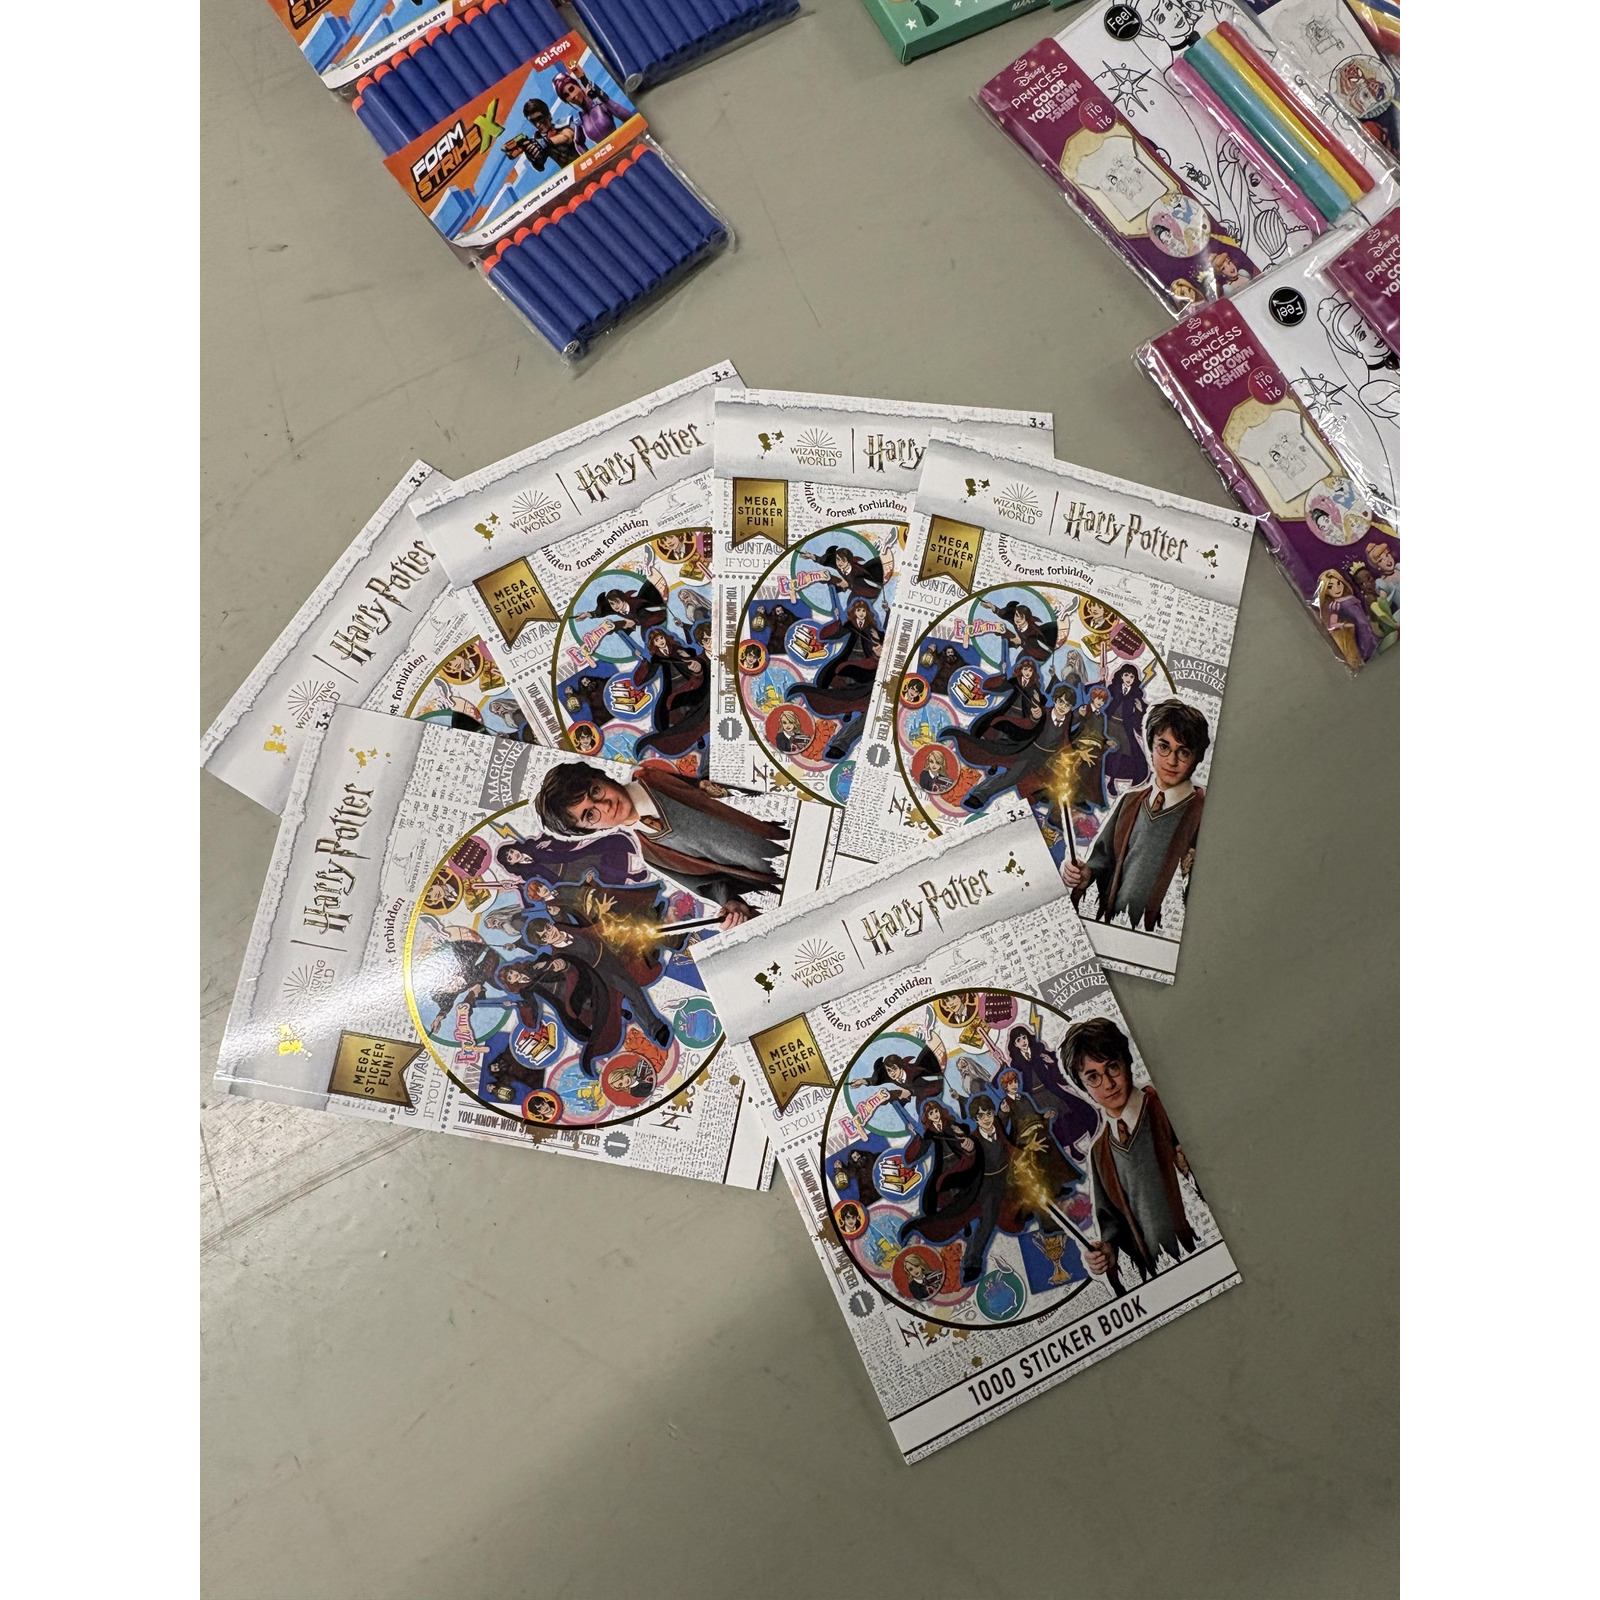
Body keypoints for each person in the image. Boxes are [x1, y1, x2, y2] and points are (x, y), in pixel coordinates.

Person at [535, 761, 789, 928]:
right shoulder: (651, 854)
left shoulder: (661, 771)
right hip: (788, 874)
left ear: (601, 777)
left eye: (595, 791)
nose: (605, 805)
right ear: (591, 830)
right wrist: (732, 902)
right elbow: (714, 884)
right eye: (590, 815)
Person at [1064, 1016, 1197, 1285]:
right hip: (1163, 1274)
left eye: (1112, 1067)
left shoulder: (1164, 1107)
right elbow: (1112, 1223)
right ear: (1082, 1086)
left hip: (1206, 1245)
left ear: (1126, 1061)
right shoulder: (1099, 1152)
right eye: (1093, 1077)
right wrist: (1107, 1251)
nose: (1108, 1083)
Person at [1065, 700, 1209, 933]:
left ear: (1197, 757)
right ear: (1150, 746)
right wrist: (1085, 874)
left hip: (1161, 934)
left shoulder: (1204, 814)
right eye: (1164, 747)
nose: (1171, 761)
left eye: (1184, 752)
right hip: (1113, 926)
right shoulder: (1130, 802)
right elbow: (1103, 858)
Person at [783, 598, 883, 761]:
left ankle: (840, 743)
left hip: (869, 675)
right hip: (848, 670)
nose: (861, 613)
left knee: (869, 709)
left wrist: (880, 650)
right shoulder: (850, 626)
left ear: (867, 612)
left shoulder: (874, 630)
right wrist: (836, 622)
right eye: (858, 610)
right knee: (841, 692)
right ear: (854, 612)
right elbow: (825, 635)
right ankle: (844, 717)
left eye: (863, 610)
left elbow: (888, 649)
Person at [630, 627, 709, 761]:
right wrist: (643, 662)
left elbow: (692, 656)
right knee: (673, 711)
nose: (660, 641)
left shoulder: (677, 649)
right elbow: (646, 676)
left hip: (690, 683)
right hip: (673, 687)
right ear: (653, 644)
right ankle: (694, 737)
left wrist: (687, 656)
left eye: (661, 638)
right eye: (657, 640)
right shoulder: (656, 658)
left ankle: (698, 737)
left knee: (695, 708)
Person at [1102, 663, 1150, 795]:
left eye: (1132, 676)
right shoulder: (1113, 689)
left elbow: (1143, 714)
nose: (1129, 678)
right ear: (1121, 676)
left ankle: (1112, 781)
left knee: (1124, 750)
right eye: (1126, 675)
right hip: (1109, 724)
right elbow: (1102, 699)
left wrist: (1140, 710)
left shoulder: (1136, 694)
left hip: (1124, 728)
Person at [1315, 568, 1377, 668]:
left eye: (1338, 583)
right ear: (1325, 590)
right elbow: (1333, 623)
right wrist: (1342, 625)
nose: (1337, 588)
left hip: (1367, 626)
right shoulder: (1336, 605)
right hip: (1359, 632)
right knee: (1367, 646)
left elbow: (1361, 611)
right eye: (1330, 586)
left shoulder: (1350, 598)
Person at [552, 68, 631, 144]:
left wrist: (602, 97)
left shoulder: (600, 103)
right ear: (566, 101)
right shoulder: (579, 119)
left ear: (578, 86)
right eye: (566, 95)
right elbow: (578, 142)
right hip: (608, 152)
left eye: (572, 89)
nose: (572, 96)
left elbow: (627, 116)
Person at [502, 98, 585, 169]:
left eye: (539, 118)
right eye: (533, 121)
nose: (538, 124)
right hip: (571, 173)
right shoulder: (538, 139)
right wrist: (531, 154)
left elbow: (567, 137)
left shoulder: (563, 123)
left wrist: (544, 143)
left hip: (586, 161)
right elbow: (540, 166)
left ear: (548, 115)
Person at [1365, 537, 1399, 616]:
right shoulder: (1383, 583)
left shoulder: (1399, 567)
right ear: (1377, 567)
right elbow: (1384, 605)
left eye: (1387, 555)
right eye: (1380, 560)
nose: (1387, 560)